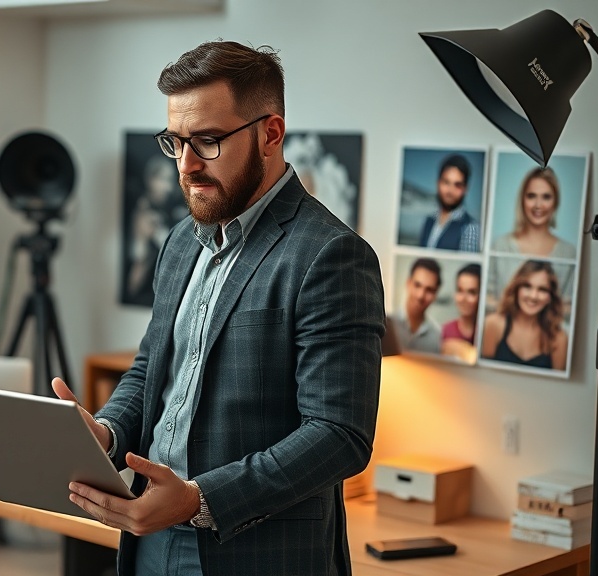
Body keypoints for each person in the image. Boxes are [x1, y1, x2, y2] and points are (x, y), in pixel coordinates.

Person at [51, 41, 385, 575]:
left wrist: (199, 499)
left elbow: (339, 435)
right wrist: (107, 434)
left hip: (258, 553)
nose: (186, 165)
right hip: (148, 539)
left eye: (207, 142)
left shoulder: (331, 255)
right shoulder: (182, 241)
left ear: (270, 134)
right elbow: (153, 371)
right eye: (175, 142)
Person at [481, 260, 567, 370]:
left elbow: (560, 386)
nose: (533, 296)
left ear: (550, 297)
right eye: (527, 286)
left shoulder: (558, 339)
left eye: (542, 289)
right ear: (517, 289)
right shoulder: (493, 324)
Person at [125, 155, 188, 305]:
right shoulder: (143, 211)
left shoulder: (172, 209)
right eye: (162, 179)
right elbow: (140, 258)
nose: (168, 187)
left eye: (170, 180)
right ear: (150, 180)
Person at [492, 167, 576, 259]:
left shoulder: (569, 253)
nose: (538, 205)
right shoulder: (500, 246)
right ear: (522, 200)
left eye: (546, 197)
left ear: (555, 202)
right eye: (531, 196)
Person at [418, 154, 480, 252]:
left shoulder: (470, 228)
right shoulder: (428, 220)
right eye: (446, 182)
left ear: (465, 189)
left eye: (457, 185)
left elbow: (466, 267)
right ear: (438, 183)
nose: (450, 191)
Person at [392, 258, 442, 354]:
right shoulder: (387, 324)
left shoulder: (437, 337)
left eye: (429, 290)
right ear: (408, 283)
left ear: (435, 294)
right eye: (417, 285)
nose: (421, 295)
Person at [441, 263, 481, 363]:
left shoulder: (487, 333)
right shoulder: (445, 331)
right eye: (460, 290)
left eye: (471, 292)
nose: (464, 298)